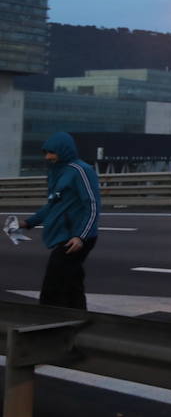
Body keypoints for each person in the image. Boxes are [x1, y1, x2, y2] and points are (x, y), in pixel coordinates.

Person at [17, 132, 100, 309]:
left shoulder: (81, 170)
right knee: (72, 283)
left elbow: (92, 206)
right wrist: (27, 223)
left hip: (75, 238)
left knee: (53, 285)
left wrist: (81, 237)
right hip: (65, 235)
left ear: (63, 150)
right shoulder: (56, 173)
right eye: (46, 153)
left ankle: (47, 322)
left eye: (52, 152)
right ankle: (79, 320)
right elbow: (52, 206)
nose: (48, 157)